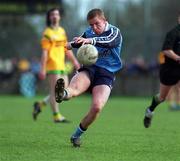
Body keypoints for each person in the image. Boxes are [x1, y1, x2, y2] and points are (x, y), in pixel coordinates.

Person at [55, 8, 123, 147]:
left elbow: (110, 42)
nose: (93, 27)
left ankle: (76, 135)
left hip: (106, 73)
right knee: (73, 90)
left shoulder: (114, 32)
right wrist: (70, 45)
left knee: (97, 107)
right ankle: (62, 93)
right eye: (91, 25)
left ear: (105, 21)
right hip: (90, 68)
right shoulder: (89, 33)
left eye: (97, 23)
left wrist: (90, 40)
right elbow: (80, 41)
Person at [32, 8, 80, 123]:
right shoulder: (47, 33)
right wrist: (42, 68)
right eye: (52, 14)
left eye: (56, 14)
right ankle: (56, 116)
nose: (55, 16)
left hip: (62, 65)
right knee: (56, 92)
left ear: (59, 17)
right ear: (49, 17)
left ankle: (40, 105)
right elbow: (44, 52)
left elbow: (66, 49)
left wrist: (75, 62)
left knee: (62, 92)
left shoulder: (62, 31)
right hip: (52, 65)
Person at [143, 13, 180, 128]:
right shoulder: (173, 33)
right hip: (169, 69)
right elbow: (166, 50)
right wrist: (178, 58)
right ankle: (150, 111)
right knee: (162, 97)